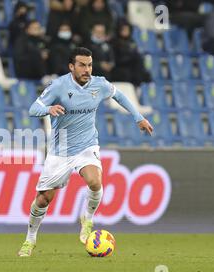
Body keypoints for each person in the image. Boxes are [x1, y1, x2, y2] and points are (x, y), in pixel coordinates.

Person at [18, 47, 153, 257]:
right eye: (82, 65)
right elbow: (33, 108)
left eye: (89, 65)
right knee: (44, 199)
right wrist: (49, 109)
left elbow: (119, 96)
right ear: (72, 66)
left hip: (87, 145)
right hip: (60, 150)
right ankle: (30, 239)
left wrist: (138, 118)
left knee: (95, 182)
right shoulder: (59, 86)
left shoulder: (98, 84)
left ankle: (87, 219)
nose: (87, 69)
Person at [110, 20, 151, 86]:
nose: (126, 31)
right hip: (119, 67)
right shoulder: (114, 42)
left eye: (127, 29)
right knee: (132, 70)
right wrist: (131, 58)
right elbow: (115, 59)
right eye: (124, 29)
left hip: (131, 66)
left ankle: (141, 91)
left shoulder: (131, 41)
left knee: (145, 74)